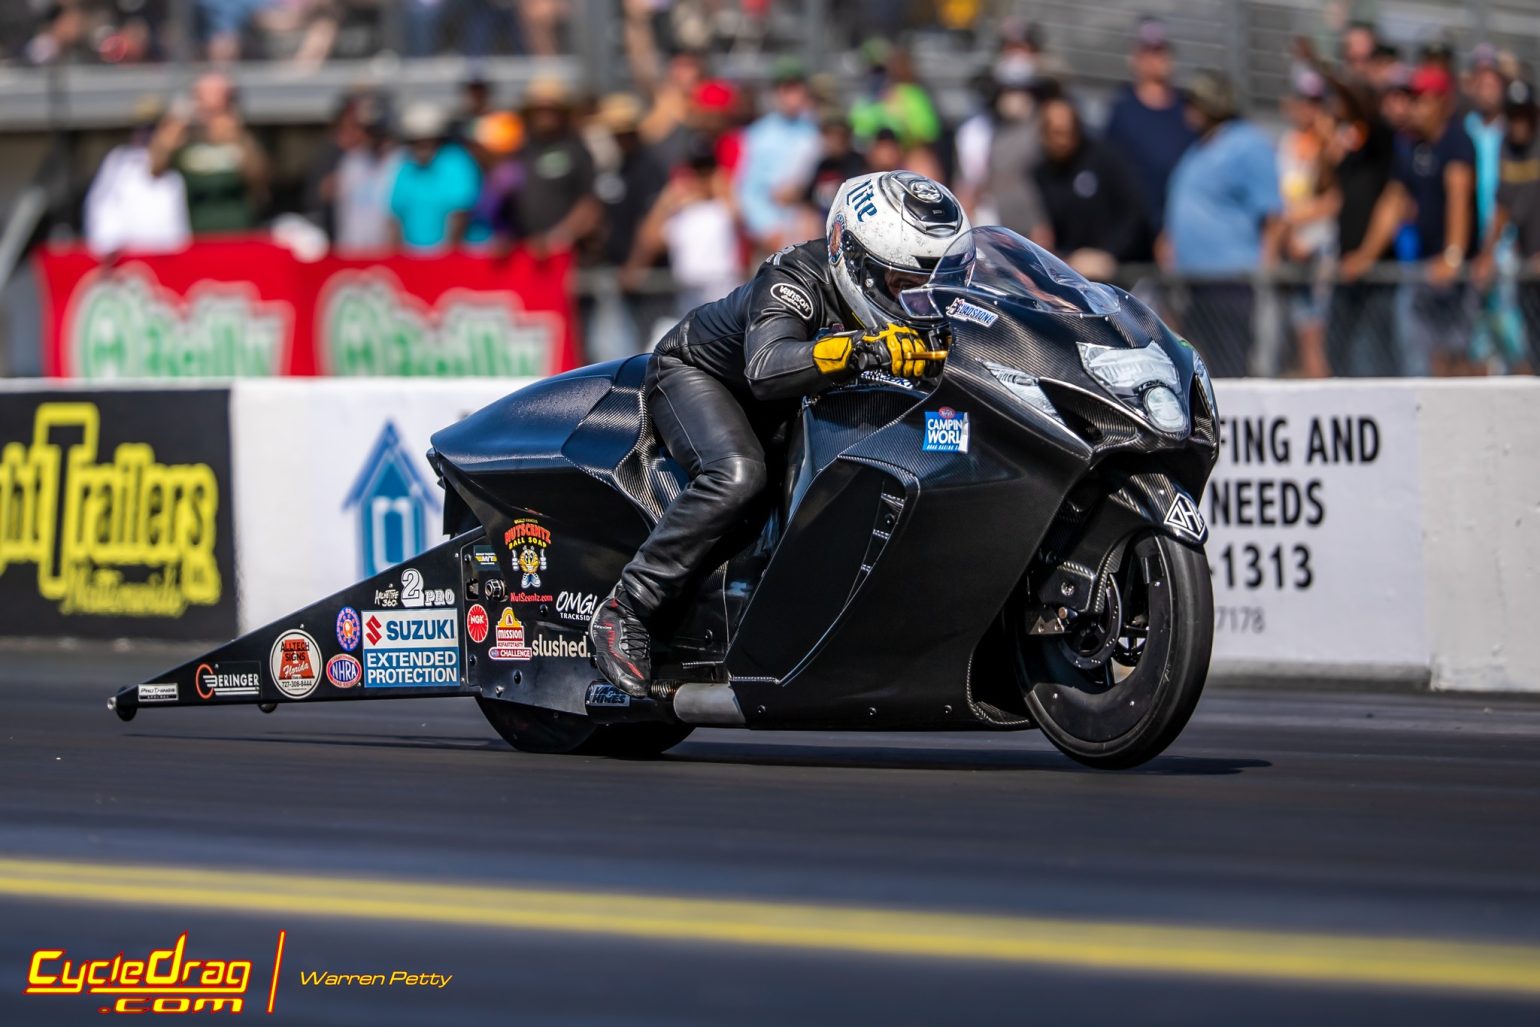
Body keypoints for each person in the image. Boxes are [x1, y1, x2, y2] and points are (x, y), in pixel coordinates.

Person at [588, 171, 970, 696]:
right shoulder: (792, 279)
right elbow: (766, 368)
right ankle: (625, 608)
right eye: (903, 285)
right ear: (853, 258)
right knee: (739, 474)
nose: (917, 300)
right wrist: (866, 348)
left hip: (793, 397)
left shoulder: (915, 303)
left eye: (933, 285)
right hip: (700, 376)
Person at [1342, 65, 1477, 375]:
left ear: (1443, 102)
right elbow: (1393, 201)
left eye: (1421, 99)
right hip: (1423, 270)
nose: (1414, 107)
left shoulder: (1457, 140)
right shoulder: (1411, 146)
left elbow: (1459, 198)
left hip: (1455, 274)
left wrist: (1453, 257)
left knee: (1457, 360)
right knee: (1418, 362)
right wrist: (1365, 255)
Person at [1162, 70, 1283, 377]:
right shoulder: (1198, 147)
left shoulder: (1248, 144)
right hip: (1194, 284)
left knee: (1234, 367)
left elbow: (1272, 215)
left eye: (1196, 102)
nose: (1188, 109)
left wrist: (1264, 273)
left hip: (1232, 281)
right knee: (1201, 373)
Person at [1103, 17, 1197, 252]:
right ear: (1136, 58)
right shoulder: (1123, 110)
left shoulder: (1187, 107)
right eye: (1149, 52)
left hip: (1180, 226)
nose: (1156, 59)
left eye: (1161, 51)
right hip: (1136, 230)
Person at [1031, 95, 1144, 279]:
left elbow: (1133, 211)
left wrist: (1109, 253)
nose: (1062, 140)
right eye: (1055, 133)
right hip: (1070, 270)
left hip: (1114, 270)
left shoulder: (1105, 158)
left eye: (1068, 131)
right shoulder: (1042, 172)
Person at [149, 72, 269, 235]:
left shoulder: (240, 137)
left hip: (239, 233)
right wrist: (170, 132)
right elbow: (155, 169)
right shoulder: (184, 137)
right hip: (195, 234)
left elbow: (260, 182)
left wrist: (238, 139)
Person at [1474, 80, 1540, 373]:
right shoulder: (1507, 148)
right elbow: (1502, 206)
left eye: (1524, 115)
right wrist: (1487, 254)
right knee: (1526, 352)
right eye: (1513, 116)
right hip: (1529, 268)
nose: (1518, 124)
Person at [84, 97, 191, 255]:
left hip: (169, 262)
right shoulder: (120, 162)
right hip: (127, 261)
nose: (146, 134)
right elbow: (101, 208)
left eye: (152, 128)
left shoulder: (178, 168)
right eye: (141, 128)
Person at [736, 57, 822, 255]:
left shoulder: (815, 133)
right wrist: (768, 229)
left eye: (797, 88)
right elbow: (747, 191)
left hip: (807, 229)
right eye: (786, 89)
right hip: (770, 234)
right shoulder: (757, 135)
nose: (792, 96)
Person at [511, 77, 601, 256]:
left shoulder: (576, 150)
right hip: (527, 256)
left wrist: (557, 238)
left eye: (551, 110)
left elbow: (590, 205)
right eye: (539, 110)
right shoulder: (521, 152)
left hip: (567, 257)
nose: (545, 116)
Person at [388, 101, 480, 253]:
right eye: (415, 142)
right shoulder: (406, 167)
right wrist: (398, 259)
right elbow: (396, 218)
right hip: (412, 258)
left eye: (426, 141)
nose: (421, 147)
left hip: (448, 258)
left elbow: (459, 215)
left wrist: (443, 259)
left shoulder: (456, 162)